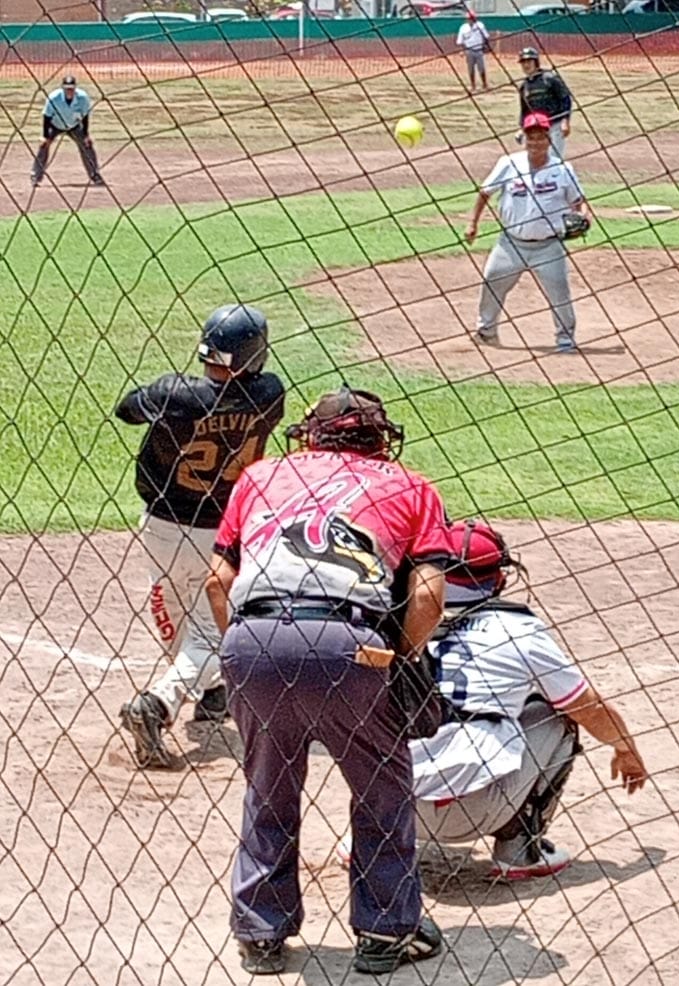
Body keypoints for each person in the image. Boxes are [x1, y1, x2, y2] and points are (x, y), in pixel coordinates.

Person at [205, 386, 451, 976]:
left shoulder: (261, 476)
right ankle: (386, 932)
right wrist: (392, 656)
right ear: (378, 438)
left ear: (312, 434)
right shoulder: (410, 485)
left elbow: (217, 582)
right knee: (382, 789)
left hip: (253, 641)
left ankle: (261, 934)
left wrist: (249, 647)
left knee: (268, 787)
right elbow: (429, 596)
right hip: (352, 643)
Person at [412, 519, 648, 880]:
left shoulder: (395, 618)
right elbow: (589, 707)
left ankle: (365, 844)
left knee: (371, 709)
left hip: (393, 807)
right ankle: (520, 851)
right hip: (479, 808)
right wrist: (626, 748)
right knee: (558, 712)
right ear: (498, 578)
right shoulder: (518, 630)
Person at [117, 304, 285, 769]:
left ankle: (201, 693)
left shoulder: (177, 394)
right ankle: (171, 697)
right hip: (223, 533)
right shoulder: (270, 394)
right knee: (212, 633)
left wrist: (171, 396)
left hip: (162, 529)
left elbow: (127, 409)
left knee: (175, 607)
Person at [465, 110, 590, 353]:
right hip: (510, 245)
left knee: (559, 293)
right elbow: (484, 193)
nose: (535, 142)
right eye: (530, 137)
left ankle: (565, 341)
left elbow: (579, 200)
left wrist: (585, 215)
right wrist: (473, 223)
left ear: (549, 139)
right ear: (524, 138)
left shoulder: (562, 169)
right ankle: (486, 332)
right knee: (492, 282)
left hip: (548, 246)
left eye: (540, 137)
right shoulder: (509, 163)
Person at [31, 75, 105, 188]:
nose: (69, 91)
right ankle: (35, 177)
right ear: (63, 88)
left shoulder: (82, 98)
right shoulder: (53, 98)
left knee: (87, 146)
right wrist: (45, 136)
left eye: (71, 88)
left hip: (74, 126)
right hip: (55, 125)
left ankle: (95, 175)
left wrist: (86, 135)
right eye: (67, 88)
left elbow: (85, 117)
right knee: (44, 147)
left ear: (75, 88)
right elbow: (46, 116)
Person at [516, 47, 573, 159]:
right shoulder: (524, 86)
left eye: (529, 61)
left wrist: (565, 120)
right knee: (534, 158)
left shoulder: (550, 78)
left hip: (554, 124)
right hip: (535, 128)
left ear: (536, 62)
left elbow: (565, 98)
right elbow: (525, 110)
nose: (526, 65)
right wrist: (521, 128)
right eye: (523, 62)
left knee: (554, 158)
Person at [456, 10, 491, 92]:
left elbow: (486, 37)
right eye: (469, 19)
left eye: (472, 18)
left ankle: (485, 84)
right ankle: (473, 86)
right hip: (469, 50)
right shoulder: (463, 28)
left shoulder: (480, 26)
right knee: (471, 69)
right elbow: (460, 41)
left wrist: (486, 46)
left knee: (481, 68)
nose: (470, 20)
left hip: (479, 50)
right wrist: (462, 50)